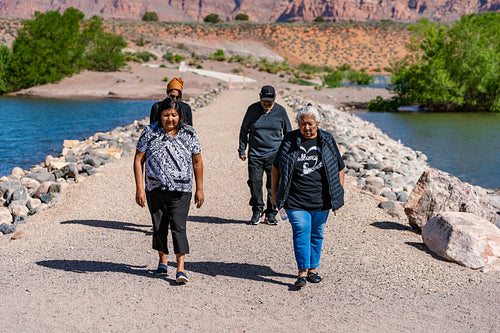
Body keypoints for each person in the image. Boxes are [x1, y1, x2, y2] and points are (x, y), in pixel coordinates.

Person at [271, 105, 345, 288]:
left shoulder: (326, 139)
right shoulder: (289, 139)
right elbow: (275, 167)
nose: (307, 128)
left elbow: (340, 167)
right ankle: (302, 271)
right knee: (302, 230)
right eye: (303, 124)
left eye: (311, 124)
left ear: (318, 123)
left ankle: (313, 270)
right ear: (298, 124)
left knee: (316, 233)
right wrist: (273, 194)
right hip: (294, 198)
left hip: (321, 199)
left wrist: (339, 190)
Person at [134, 97, 203, 284]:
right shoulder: (149, 131)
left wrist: (200, 189)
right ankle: (162, 260)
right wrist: (140, 188)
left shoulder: (189, 133)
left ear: (179, 116)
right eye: (166, 115)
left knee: (179, 226)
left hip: (182, 189)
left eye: (174, 115)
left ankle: (180, 268)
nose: (170, 119)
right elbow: (138, 160)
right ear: (160, 115)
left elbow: (197, 161)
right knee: (159, 227)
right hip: (155, 188)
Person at [239, 85, 291, 225]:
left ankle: (271, 213)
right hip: (255, 154)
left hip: (274, 155)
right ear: (260, 98)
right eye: (264, 101)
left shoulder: (281, 111)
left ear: (275, 99)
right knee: (254, 183)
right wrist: (242, 149)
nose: (266, 104)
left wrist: (287, 153)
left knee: (273, 185)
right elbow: (244, 130)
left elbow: (288, 133)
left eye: (269, 102)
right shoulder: (252, 109)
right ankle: (257, 210)